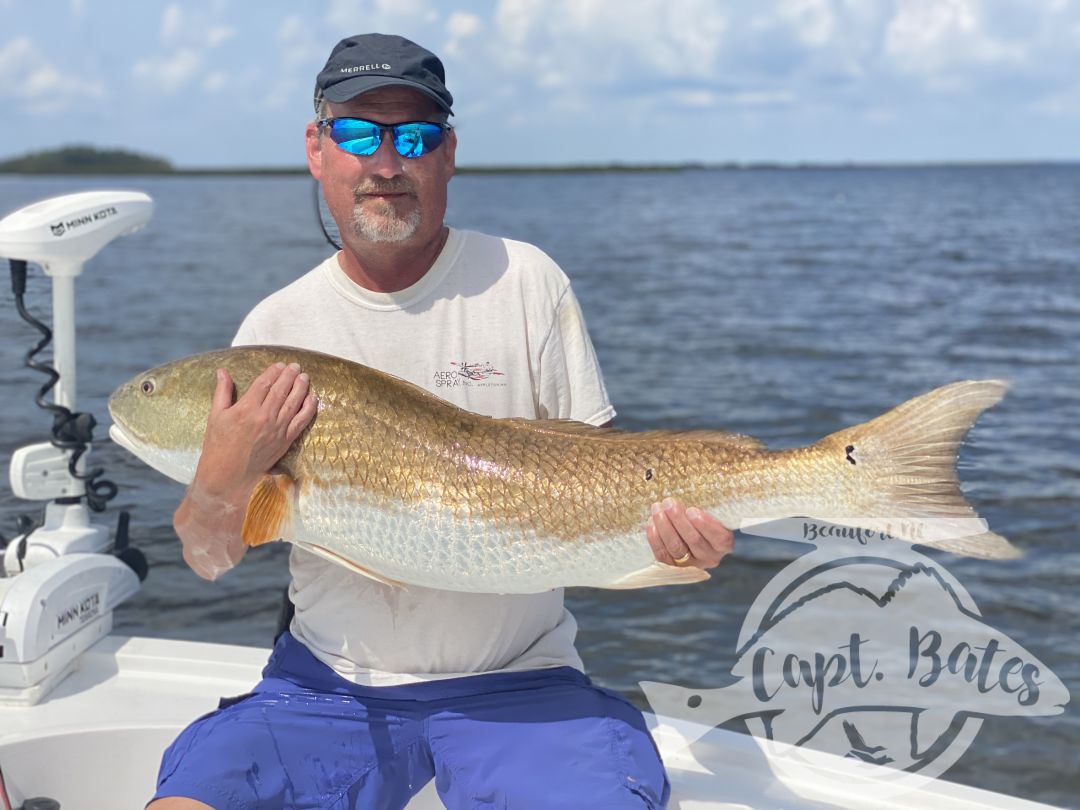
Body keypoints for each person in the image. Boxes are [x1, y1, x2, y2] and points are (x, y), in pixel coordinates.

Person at [149, 33, 735, 810]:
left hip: (523, 685)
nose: (387, 163)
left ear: (448, 153)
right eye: (359, 132)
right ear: (317, 149)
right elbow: (211, 560)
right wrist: (222, 479)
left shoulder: (525, 279)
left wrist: (678, 544)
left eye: (415, 136)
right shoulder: (275, 329)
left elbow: (592, 478)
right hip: (325, 689)